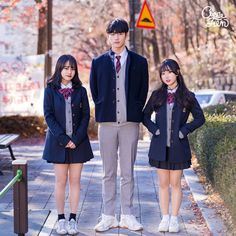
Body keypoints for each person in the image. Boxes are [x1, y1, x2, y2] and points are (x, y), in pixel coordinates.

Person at [90, 18, 149, 232]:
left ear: (126, 35)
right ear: (108, 36)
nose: (116, 37)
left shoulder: (139, 62)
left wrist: (133, 109)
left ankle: (127, 215)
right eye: (112, 33)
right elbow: (95, 91)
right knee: (108, 172)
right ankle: (108, 215)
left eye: (120, 33)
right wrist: (103, 107)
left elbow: (142, 91)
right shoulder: (98, 63)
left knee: (127, 171)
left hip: (129, 124)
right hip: (106, 124)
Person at [143, 59, 205, 233]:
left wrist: (183, 131)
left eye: (169, 72)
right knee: (163, 183)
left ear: (177, 72)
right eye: (163, 73)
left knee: (175, 183)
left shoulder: (187, 96)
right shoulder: (157, 95)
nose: (166, 76)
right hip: (159, 147)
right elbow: (145, 116)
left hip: (178, 146)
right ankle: (165, 218)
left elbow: (200, 118)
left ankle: (175, 219)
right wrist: (155, 130)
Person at [42, 54, 94, 235]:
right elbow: (48, 116)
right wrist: (64, 139)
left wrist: (76, 139)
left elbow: (86, 115)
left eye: (72, 68)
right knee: (60, 181)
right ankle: (61, 219)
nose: (69, 71)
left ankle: (73, 219)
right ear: (59, 69)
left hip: (78, 143)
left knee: (75, 181)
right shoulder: (50, 90)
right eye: (66, 68)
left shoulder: (81, 90)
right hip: (58, 143)